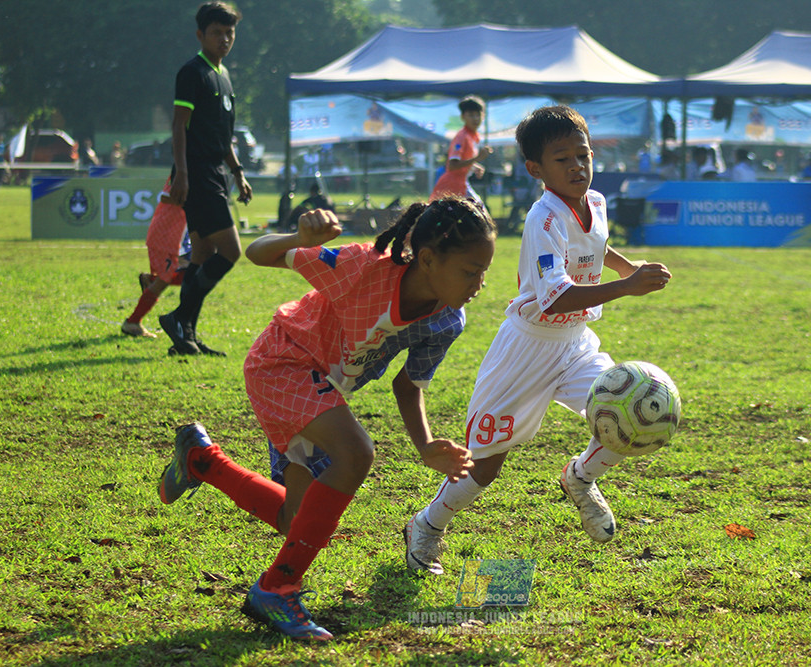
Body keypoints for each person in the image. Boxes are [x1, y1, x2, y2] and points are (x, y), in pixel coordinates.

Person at [156, 196, 495, 640]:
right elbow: (260, 253)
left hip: (322, 387)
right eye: (471, 271)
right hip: (281, 362)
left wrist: (426, 445)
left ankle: (202, 461)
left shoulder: (445, 322)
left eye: (484, 270)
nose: (480, 283)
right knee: (355, 453)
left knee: (295, 523)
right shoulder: (363, 267)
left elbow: (407, 385)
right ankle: (276, 589)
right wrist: (300, 238)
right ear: (427, 259)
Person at [404, 105, 671, 575]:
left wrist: (624, 267)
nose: (577, 166)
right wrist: (627, 287)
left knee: (634, 415)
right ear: (536, 169)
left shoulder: (597, 203)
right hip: (527, 348)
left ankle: (579, 478)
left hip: (576, 343)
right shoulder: (542, 219)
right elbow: (554, 299)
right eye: (562, 158)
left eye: (583, 155)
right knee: (484, 468)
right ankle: (426, 525)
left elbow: (594, 244)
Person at [158, 1, 252, 357]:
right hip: (196, 174)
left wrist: (238, 172)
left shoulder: (224, 76)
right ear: (201, 35)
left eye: (230, 33)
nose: (225, 39)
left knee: (202, 252)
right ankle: (179, 317)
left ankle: (187, 334)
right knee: (230, 251)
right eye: (217, 32)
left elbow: (222, 136)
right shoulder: (192, 72)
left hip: (215, 173)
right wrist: (181, 174)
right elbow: (179, 126)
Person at [121, 178, 190, 339]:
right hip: (166, 235)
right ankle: (132, 322)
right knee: (170, 278)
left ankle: (151, 281)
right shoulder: (182, 169)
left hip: (178, 235)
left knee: (193, 273)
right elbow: (165, 196)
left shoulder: (191, 166)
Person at [429, 96, 494, 204]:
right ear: (463, 117)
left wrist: (474, 167)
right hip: (451, 186)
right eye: (471, 115)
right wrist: (477, 159)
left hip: (461, 183)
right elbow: (452, 165)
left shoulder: (471, 136)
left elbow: (463, 161)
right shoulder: (462, 137)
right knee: (478, 213)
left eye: (478, 115)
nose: (475, 118)